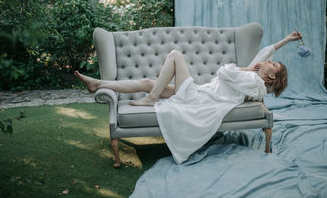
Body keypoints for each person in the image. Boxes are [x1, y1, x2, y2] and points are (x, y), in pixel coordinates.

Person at [75, 31, 302, 164]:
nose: (267, 60)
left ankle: (152, 98)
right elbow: (264, 55)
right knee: (147, 83)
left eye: (273, 64)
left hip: (199, 100)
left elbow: (224, 71)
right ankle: (98, 84)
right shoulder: (257, 77)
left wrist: (247, 68)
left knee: (175, 55)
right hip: (202, 94)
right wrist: (286, 40)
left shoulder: (253, 81)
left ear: (271, 75)